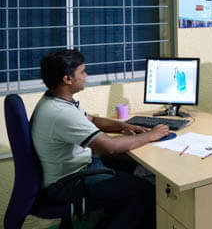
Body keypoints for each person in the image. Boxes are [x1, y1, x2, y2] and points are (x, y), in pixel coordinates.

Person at [31, 49, 170, 228]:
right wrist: (150, 135)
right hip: (68, 184)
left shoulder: (57, 100)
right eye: (82, 72)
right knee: (145, 191)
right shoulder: (60, 113)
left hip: (76, 169)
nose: (86, 76)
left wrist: (123, 126)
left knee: (133, 165)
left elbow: (92, 120)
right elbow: (110, 146)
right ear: (68, 79)